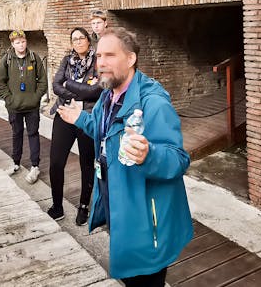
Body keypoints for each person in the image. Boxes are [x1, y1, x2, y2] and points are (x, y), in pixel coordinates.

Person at [57, 28, 193, 286]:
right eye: (98, 57)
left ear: (130, 59)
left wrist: (148, 154)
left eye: (110, 55)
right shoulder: (109, 96)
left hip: (147, 221)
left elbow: (178, 159)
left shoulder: (153, 103)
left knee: (145, 279)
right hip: (119, 208)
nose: (101, 63)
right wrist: (80, 119)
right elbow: (104, 130)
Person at [47, 27, 102, 225]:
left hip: (86, 117)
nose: (78, 42)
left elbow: (96, 90)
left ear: (88, 40)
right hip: (64, 114)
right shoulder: (66, 61)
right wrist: (79, 91)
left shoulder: (98, 61)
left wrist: (69, 85)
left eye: (81, 38)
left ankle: (84, 207)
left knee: (86, 164)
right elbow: (56, 85)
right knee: (55, 162)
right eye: (74, 39)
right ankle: (57, 206)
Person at [0, 30, 48, 184]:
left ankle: (35, 166)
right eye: (17, 42)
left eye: (23, 41)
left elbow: (43, 81)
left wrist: (36, 97)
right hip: (14, 106)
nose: (21, 45)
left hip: (32, 107)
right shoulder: (7, 60)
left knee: (33, 134)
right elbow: (0, 82)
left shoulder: (34, 58)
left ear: (26, 41)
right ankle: (15, 163)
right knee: (16, 134)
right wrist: (9, 99)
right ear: (12, 44)